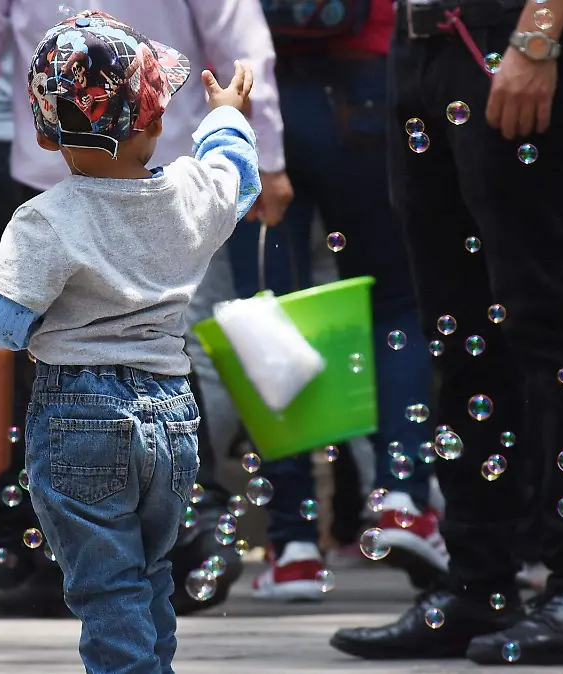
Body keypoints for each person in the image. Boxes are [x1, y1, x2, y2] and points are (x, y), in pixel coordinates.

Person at [0, 0, 287, 619]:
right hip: (172, 414)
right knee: (155, 571)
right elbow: (235, 172)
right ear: (158, 121)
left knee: (104, 582)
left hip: (81, 415)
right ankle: (182, 580)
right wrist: (229, 117)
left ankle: (101, 633)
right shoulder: (189, 194)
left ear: (42, 135)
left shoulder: (42, 220)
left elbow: (3, 323)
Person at [330, 0, 563, 664]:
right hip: (422, 42)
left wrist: (537, 38)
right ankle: (478, 584)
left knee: (551, 319)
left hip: (510, 34)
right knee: (457, 331)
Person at [242, 0, 443, 600]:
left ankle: (295, 547)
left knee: (265, 319)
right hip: (365, 83)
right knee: (394, 301)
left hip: (245, 95)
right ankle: (403, 498)